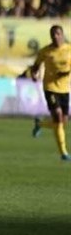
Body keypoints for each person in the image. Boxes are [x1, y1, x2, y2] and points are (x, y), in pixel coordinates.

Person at [28, 25, 71, 161]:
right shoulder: (45, 51)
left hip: (65, 89)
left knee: (63, 122)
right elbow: (35, 66)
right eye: (53, 34)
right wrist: (34, 74)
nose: (55, 36)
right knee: (58, 116)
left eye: (58, 33)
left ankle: (40, 124)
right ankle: (63, 153)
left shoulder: (69, 49)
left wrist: (65, 73)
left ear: (62, 35)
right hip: (50, 88)